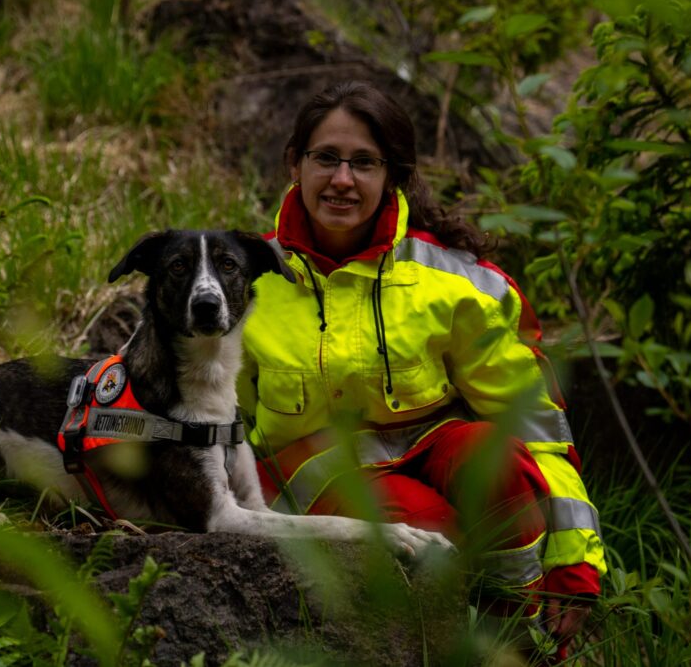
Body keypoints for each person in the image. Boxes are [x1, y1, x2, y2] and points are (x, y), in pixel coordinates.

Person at [237, 81, 605, 662]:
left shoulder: (460, 281)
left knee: (498, 461)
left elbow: (536, 426)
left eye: (364, 163)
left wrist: (574, 561)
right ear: (294, 164)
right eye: (326, 157)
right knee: (424, 531)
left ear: (394, 176)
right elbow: (212, 418)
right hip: (313, 472)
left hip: (434, 446)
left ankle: (522, 637)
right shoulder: (243, 282)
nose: (342, 179)